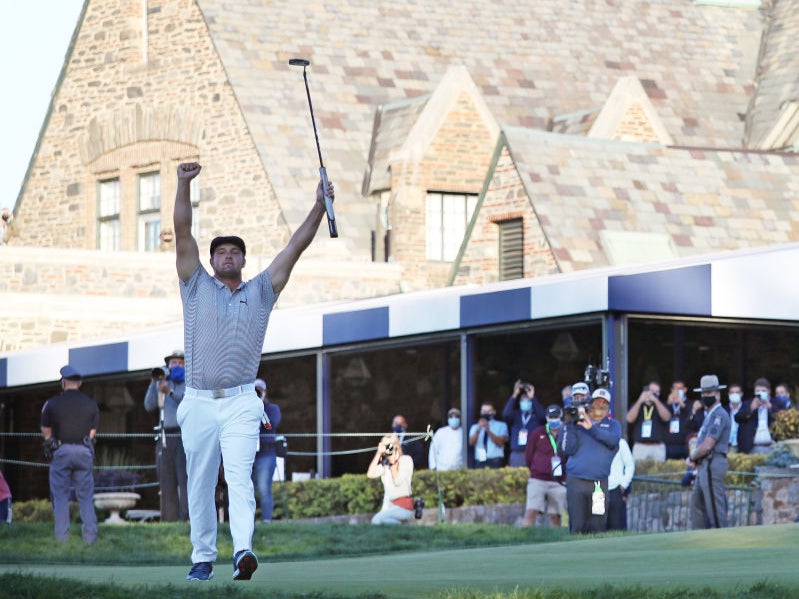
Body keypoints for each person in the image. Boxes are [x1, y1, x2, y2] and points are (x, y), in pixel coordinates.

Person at [173, 162, 333, 582]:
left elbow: (294, 248)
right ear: (210, 261)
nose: (227, 255)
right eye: (220, 252)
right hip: (198, 401)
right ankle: (202, 558)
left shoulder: (261, 290)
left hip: (243, 399)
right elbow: (183, 230)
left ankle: (243, 550)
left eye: (234, 252)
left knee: (240, 479)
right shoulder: (194, 284)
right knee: (200, 483)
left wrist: (319, 206)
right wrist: (183, 184)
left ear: (244, 259)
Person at [40, 365, 99, 544]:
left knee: (60, 496)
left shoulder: (51, 403)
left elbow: (46, 432)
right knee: (86, 497)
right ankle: (90, 540)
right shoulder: (91, 404)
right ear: (80, 383)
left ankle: (62, 540)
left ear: (63, 382)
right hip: (83, 451)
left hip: (62, 451)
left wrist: (54, 446)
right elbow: (92, 434)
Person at [559, 387, 621, 534]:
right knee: (577, 525)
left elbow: (612, 440)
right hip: (576, 482)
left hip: (599, 484)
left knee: (597, 525)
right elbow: (567, 449)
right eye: (597, 401)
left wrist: (591, 428)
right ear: (590, 403)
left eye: (604, 403)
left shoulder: (613, 425)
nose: (600, 405)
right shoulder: (577, 424)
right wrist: (569, 424)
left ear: (608, 407)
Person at [144, 349, 189, 522]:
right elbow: (149, 406)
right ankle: (169, 519)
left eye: (180, 363)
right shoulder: (162, 381)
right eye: (173, 363)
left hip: (183, 435)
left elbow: (187, 403)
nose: (176, 366)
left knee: (185, 479)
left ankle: (185, 518)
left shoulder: (189, 383)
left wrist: (170, 391)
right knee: (167, 480)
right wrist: (153, 384)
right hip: (165, 436)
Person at [686, 374, 731, 529]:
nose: (706, 396)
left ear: (718, 394)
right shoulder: (709, 415)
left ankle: (722, 541)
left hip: (712, 462)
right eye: (704, 393)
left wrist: (692, 456)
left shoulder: (719, 415)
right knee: (697, 505)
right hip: (704, 464)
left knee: (715, 508)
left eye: (709, 393)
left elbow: (708, 445)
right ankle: (699, 540)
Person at [522, 404, 567, 528]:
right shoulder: (538, 433)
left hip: (559, 480)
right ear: (546, 418)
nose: (553, 420)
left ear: (561, 416)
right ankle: (524, 541)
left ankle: (556, 543)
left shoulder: (566, 433)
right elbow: (529, 456)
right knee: (531, 511)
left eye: (556, 417)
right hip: (538, 479)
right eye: (551, 417)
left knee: (555, 515)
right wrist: (538, 469)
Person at [367, 433, 415, 525]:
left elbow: (397, 481)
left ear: (396, 446)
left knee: (376, 520)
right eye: (385, 446)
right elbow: (370, 474)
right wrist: (378, 453)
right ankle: (399, 528)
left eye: (389, 445)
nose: (388, 449)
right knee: (379, 522)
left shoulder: (406, 460)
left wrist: (393, 462)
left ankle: (400, 527)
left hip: (403, 506)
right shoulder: (385, 464)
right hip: (390, 505)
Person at [253, 378, 281, 523]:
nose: (256, 393)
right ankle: (247, 523)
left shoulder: (272, 408)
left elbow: (270, 424)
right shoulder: (246, 408)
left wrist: (260, 404)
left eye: (259, 390)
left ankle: (267, 521)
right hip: (249, 454)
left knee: (264, 489)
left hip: (266, 454)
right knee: (247, 490)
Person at [502, 380, 546, 467]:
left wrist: (532, 397)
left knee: (534, 479)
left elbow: (543, 417)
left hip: (534, 453)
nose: (525, 402)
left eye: (527, 400)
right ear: (519, 403)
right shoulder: (515, 415)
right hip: (517, 454)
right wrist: (515, 394)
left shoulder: (536, 415)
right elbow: (505, 414)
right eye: (523, 400)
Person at [626, 381, 669, 462]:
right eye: (652, 391)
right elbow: (629, 419)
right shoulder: (636, 404)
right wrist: (640, 400)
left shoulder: (661, 405)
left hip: (657, 446)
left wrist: (656, 401)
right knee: (639, 473)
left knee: (659, 473)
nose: (654, 394)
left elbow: (666, 418)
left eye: (657, 392)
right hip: (640, 446)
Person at [734, 378, 775, 455]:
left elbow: (783, 418)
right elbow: (737, 418)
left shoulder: (775, 402)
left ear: (769, 391)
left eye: (763, 391)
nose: (760, 393)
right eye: (758, 391)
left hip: (773, 447)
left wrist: (771, 408)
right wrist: (751, 409)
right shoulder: (747, 403)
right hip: (752, 448)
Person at [468, 402, 508, 469]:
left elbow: (500, 443)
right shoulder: (475, 427)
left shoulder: (501, 425)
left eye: (489, 411)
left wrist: (488, 430)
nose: (486, 413)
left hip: (495, 461)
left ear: (494, 412)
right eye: (484, 411)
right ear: (481, 412)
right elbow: (471, 443)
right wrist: (478, 429)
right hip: (480, 460)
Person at [607, 437, 634, 531]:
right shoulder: (594, 440)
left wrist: (624, 484)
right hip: (598, 488)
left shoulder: (621, 443)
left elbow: (630, 465)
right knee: (599, 525)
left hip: (616, 489)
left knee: (617, 526)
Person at [663, 380, 695, 460]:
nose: (677, 391)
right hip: (669, 444)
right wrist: (668, 404)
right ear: (671, 390)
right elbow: (661, 419)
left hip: (686, 444)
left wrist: (682, 404)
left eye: (680, 389)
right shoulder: (666, 404)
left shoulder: (691, 404)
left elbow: (692, 419)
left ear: (685, 390)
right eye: (675, 389)